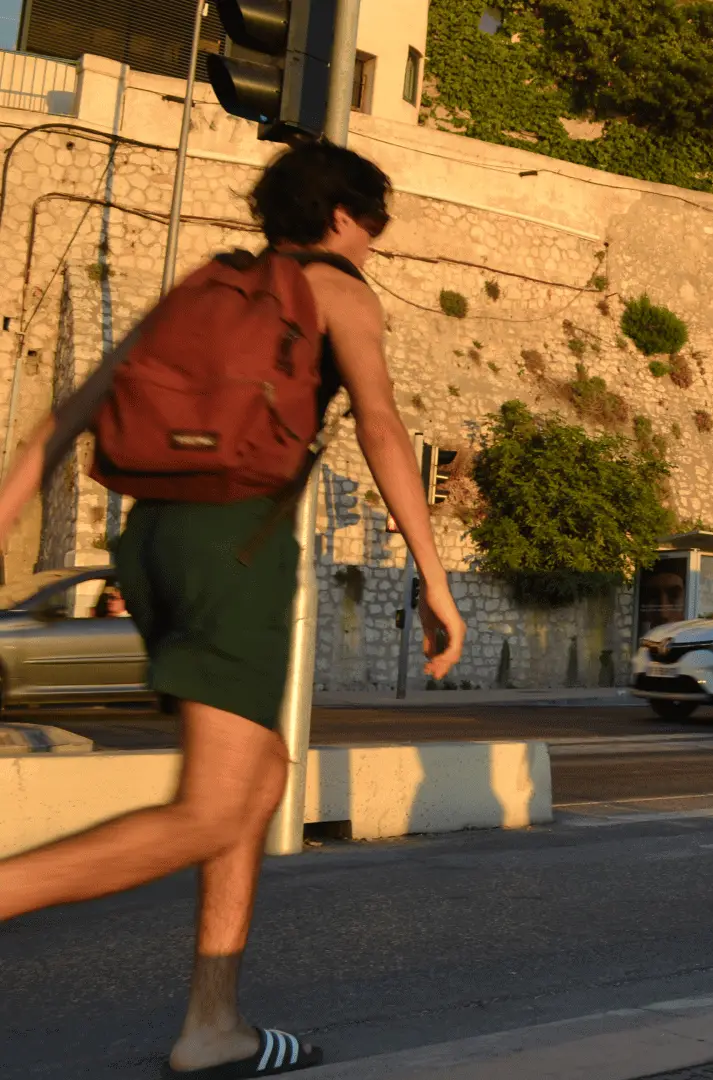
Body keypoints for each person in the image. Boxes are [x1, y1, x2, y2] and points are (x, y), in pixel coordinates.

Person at [0, 142, 466, 1077]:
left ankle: (212, 1023)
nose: (374, 245)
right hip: (237, 543)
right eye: (372, 226)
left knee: (256, 779)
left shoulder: (207, 286)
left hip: (153, 541)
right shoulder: (339, 292)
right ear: (341, 217)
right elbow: (380, 423)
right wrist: (436, 576)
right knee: (211, 811)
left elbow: (69, 413)